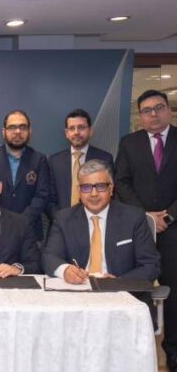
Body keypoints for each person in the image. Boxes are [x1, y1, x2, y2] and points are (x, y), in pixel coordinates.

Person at [114, 89, 177, 369]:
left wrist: (169, 216)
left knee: (174, 293)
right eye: (147, 110)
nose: (154, 114)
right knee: (136, 288)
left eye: (159, 108)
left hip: (174, 231)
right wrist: (145, 216)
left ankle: (173, 350)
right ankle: (134, 348)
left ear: (168, 110)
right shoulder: (129, 143)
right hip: (139, 229)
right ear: (140, 115)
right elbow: (122, 182)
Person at [43, 159, 160, 283]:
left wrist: (119, 282)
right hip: (78, 288)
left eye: (101, 187)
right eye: (86, 187)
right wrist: (65, 270)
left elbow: (151, 265)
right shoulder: (64, 218)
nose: (94, 194)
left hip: (120, 290)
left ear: (111, 189)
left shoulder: (133, 217)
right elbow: (49, 257)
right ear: (79, 191)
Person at [0, 110, 50, 242]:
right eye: (12, 127)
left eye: (22, 127)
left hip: (30, 232)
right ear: (4, 132)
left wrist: (22, 222)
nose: (17, 131)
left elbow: (42, 195)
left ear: (30, 131)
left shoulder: (39, 160)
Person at [48, 109, 114, 217]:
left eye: (81, 127)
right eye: (72, 128)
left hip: (95, 220)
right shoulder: (54, 161)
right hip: (62, 221)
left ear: (90, 131)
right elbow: (50, 199)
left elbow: (109, 195)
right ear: (67, 133)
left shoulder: (105, 159)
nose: (76, 132)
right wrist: (60, 219)